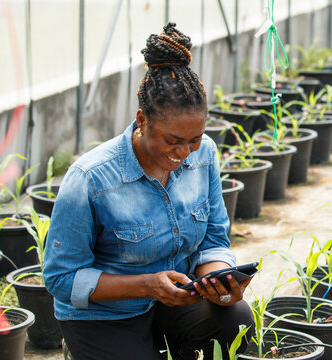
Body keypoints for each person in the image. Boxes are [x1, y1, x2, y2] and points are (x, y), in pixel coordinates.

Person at [43, 23, 254, 360]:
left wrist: (218, 282)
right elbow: (61, 277)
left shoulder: (205, 154)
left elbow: (214, 238)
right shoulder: (91, 178)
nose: (185, 152)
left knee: (237, 318)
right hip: (104, 317)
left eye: (194, 140)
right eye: (172, 140)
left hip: (174, 301)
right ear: (142, 120)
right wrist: (146, 284)